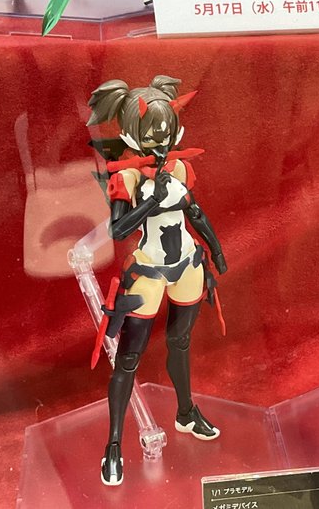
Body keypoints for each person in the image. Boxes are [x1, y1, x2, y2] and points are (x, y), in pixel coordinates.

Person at [86, 75, 227, 485]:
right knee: (129, 358)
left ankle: (185, 412)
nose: (162, 142)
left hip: (187, 263)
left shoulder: (181, 166)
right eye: (152, 135)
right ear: (131, 134)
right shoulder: (128, 177)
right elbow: (118, 230)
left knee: (180, 341)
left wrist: (216, 251)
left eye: (167, 132)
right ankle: (114, 443)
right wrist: (151, 200)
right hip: (148, 269)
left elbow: (194, 212)